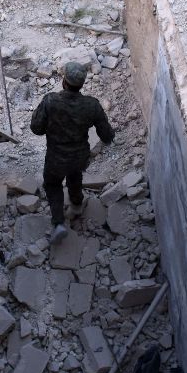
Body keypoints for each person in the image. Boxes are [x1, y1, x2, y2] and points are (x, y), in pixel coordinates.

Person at [31, 61, 115, 242]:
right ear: (81, 84)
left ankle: (58, 223)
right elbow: (107, 135)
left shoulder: (50, 101)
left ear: (64, 82)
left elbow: (36, 129)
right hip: (79, 157)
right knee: (75, 177)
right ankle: (76, 203)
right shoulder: (91, 105)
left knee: (53, 185)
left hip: (55, 158)